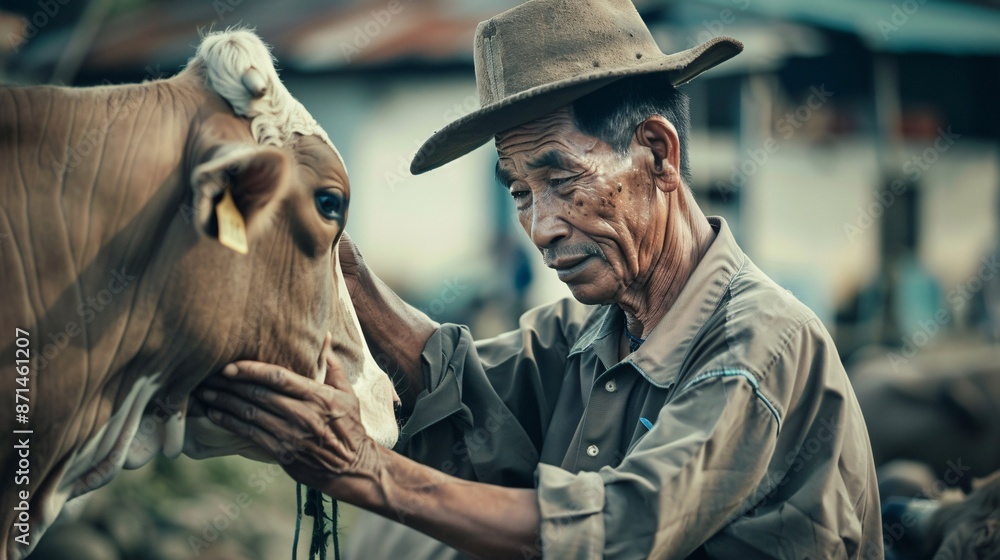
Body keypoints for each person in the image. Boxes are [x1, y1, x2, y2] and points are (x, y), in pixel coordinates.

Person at [196, 0, 884, 557]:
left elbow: (625, 529)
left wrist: (366, 471)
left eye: (561, 179)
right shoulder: (590, 333)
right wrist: (339, 266)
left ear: (656, 152)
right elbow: (458, 388)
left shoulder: (760, 343)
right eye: (520, 192)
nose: (542, 226)